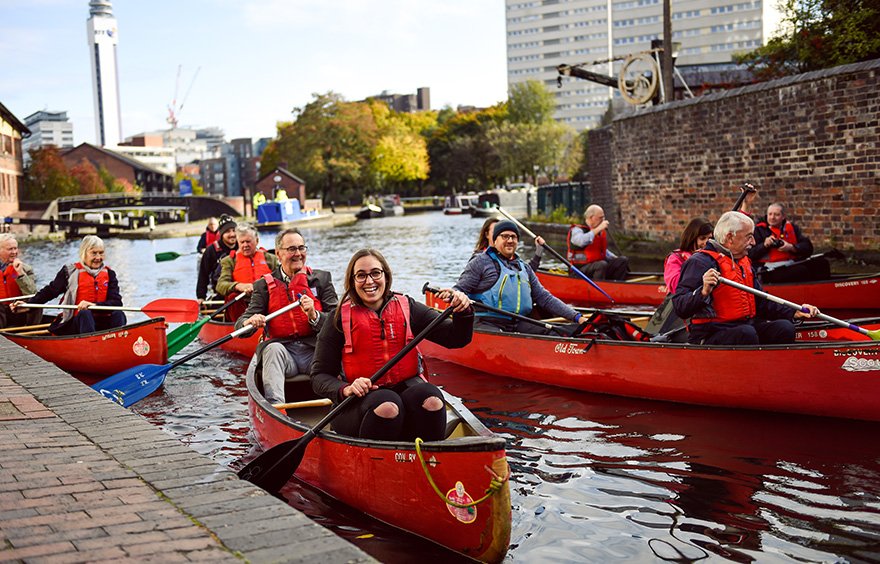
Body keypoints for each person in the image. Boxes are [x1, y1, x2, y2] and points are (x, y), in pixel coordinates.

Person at [311, 248, 473, 441]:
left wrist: (464, 311)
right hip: (358, 404)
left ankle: (430, 459)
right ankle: (373, 464)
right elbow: (319, 377)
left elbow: (456, 338)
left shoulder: (407, 306)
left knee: (432, 399)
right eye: (361, 276)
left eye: (375, 273)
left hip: (404, 392)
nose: (369, 281)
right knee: (387, 405)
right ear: (352, 281)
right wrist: (345, 388)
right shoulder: (337, 318)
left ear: (386, 276)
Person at [672, 211, 819, 345]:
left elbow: (761, 301)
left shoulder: (744, 261)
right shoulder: (700, 262)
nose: (754, 242)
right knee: (746, 334)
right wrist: (703, 291)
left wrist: (794, 311)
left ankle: (775, 368)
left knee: (785, 328)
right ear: (730, 237)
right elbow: (680, 306)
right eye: (749, 237)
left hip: (745, 326)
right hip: (711, 333)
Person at [236, 228, 338, 406]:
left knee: (339, 351)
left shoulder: (321, 279)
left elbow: (338, 322)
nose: (298, 254)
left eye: (301, 248)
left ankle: (340, 402)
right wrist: (249, 321)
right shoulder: (263, 285)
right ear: (278, 254)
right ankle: (277, 409)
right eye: (291, 249)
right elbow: (240, 327)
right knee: (272, 349)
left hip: (315, 353)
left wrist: (314, 316)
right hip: (283, 355)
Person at [456, 220, 583, 334]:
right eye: (505, 236)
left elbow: (545, 298)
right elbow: (459, 289)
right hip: (486, 322)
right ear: (495, 241)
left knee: (557, 332)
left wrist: (576, 316)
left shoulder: (525, 268)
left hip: (517, 322)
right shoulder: (480, 262)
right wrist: (457, 296)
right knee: (503, 338)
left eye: (513, 237)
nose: (510, 240)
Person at [14, 235, 126, 335]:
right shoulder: (69, 272)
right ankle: (89, 348)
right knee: (85, 314)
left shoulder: (109, 274)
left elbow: (116, 302)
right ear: (84, 253)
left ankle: (118, 344)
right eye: (94, 253)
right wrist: (28, 305)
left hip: (102, 321)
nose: (98, 258)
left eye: (101, 253)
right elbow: (50, 292)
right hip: (76, 322)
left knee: (119, 314)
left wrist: (94, 305)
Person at [749, 203, 831, 283]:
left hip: (790, 262)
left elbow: (808, 247)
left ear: (783, 216)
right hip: (769, 268)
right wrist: (764, 245)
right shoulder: (759, 230)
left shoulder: (792, 228)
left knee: (822, 263)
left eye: (776, 215)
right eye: (770, 214)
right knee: (801, 271)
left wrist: (791, 247)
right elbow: (750, 254)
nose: (772, 217)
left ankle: (826, 289)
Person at [215, 224, 278, 321]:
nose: (245, 245)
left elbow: (282, 279)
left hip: (266, 301)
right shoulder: (229, 261)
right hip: (242, 304)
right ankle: (240, 327)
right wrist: (239, 286)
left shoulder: (270, 258)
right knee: (232, 297)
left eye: (248, 241)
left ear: (256, 241)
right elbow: (220, 285)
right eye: (242, 242)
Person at [567, 204, 629, 281]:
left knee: (622, 260)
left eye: (603, 217)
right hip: (579, 270)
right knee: (601, 265)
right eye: (600, 218)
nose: (603, 220)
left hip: (597, 266)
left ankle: (618, 286)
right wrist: (599, 228)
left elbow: (601, 251)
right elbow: (580, 241)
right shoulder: (577, 230)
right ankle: (597, 289)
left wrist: (615, 258)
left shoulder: (598, 231)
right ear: (591, 218)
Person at [472, 216, 545, 270]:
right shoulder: (478, 259)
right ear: (487, 235)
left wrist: (538, 251)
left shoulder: (511, 258)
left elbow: (527, 273)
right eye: (495, 232)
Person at [664, 218, 714, 295]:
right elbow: (675, 286)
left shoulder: (712, 256)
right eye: (702, 238)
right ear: (692, 238)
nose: (706, 242)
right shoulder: (675, 258)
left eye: (710, 238)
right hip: (688, 300)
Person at [0, 234, 40, 328]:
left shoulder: (26, 269)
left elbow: (31, 292)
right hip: (1, 310)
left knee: (37, 300)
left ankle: (31, 331)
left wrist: (20, 274)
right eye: (10, 249)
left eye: (15, 248)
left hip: (17, 309)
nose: (14, 252)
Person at [196, 216, 237, 303]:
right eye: (228, 231)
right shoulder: (211, 250)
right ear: (221, 234)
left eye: (234, 230)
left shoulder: (243, 246)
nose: (232, 234)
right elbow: (203, 275)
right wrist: (201, 297)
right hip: (221, 294)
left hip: (241, 293)